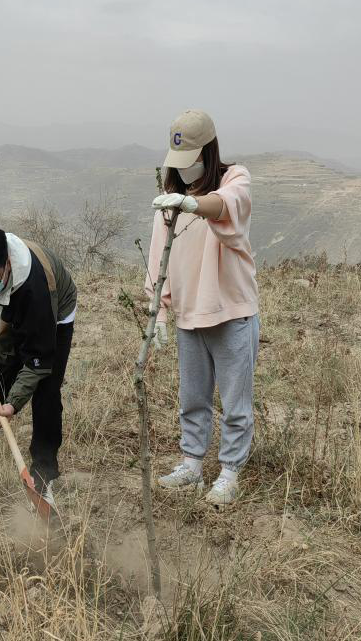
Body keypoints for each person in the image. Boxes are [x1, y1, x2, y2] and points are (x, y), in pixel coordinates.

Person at [145, 109, 259, 506]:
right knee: (192, 397)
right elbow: (158, 258)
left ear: (207, 152)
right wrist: (160, 310)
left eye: (191, 159)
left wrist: (193, 205)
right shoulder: (170, 200)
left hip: (231, 313)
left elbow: (227, 205)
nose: (184, 168)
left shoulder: (233, 178)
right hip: (189, 314)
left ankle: (230, 472)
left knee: (235, 402)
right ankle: (191, 464)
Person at [0, 226, 77, 508]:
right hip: (5, 303)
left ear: (7, 263)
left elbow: (38, 361)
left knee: (46, 389)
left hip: (56, 311)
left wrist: (13, 404)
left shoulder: (35, 291)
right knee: (0, 361)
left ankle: (43, 472)